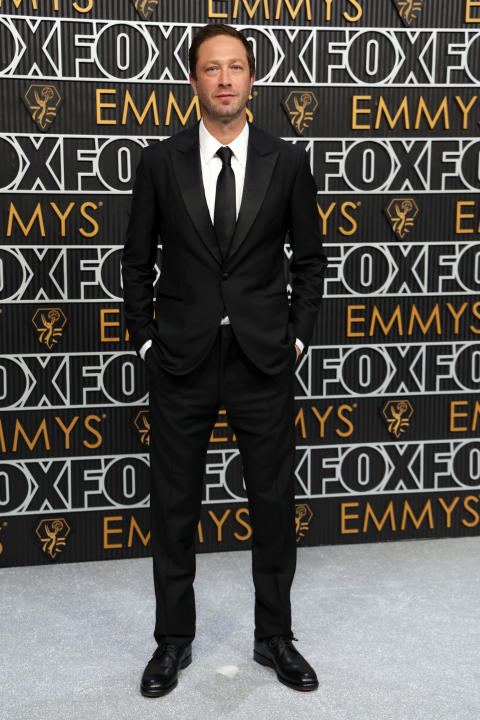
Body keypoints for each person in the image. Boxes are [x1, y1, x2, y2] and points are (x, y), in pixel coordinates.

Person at [121, 22, 327, 697]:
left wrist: (295, 335)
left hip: (263, 360)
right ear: (193, 81)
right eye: (212, 68)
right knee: (175, 508)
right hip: (180, 359)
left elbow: (310, 262)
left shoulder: (287, 161)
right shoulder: (160, 161)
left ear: (253, 79)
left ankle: (275, 638)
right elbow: (135, 263)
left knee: (272, 504)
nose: (225, 79)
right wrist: (148, 339)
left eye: (236, 66)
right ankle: (171, 643)